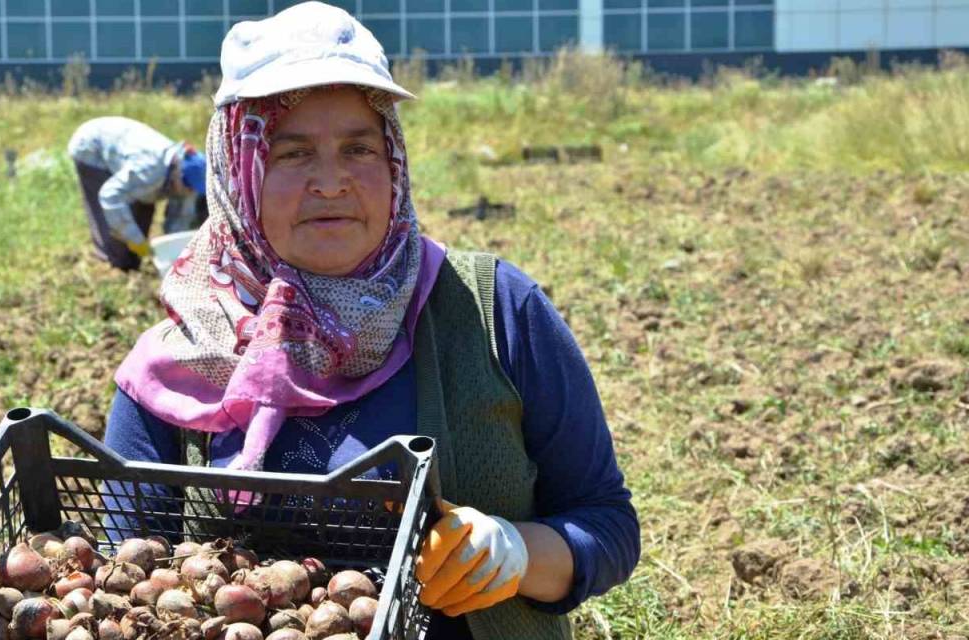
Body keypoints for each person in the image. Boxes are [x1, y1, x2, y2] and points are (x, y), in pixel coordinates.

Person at [101, 2, 639, 637]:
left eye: (358, 148)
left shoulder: (495, 309)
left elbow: (605, 524)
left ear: (393, 161)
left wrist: (516, 554)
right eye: (291, 153)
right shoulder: (182, 359)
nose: (331, 182)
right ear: (238, 170)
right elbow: (120, 576)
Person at [67, 116, 208, 271]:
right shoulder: (150, 169)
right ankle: (110, 263)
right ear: (177, 175)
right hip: (92, 148)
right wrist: (134, 239)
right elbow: (110, 197)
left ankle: (131, 261)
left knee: (143, 208)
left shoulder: (186, 181)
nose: (190, 192)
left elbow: (179, 220)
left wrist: (177, 256)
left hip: (129, 159)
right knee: (114, 228)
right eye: (188, 187)